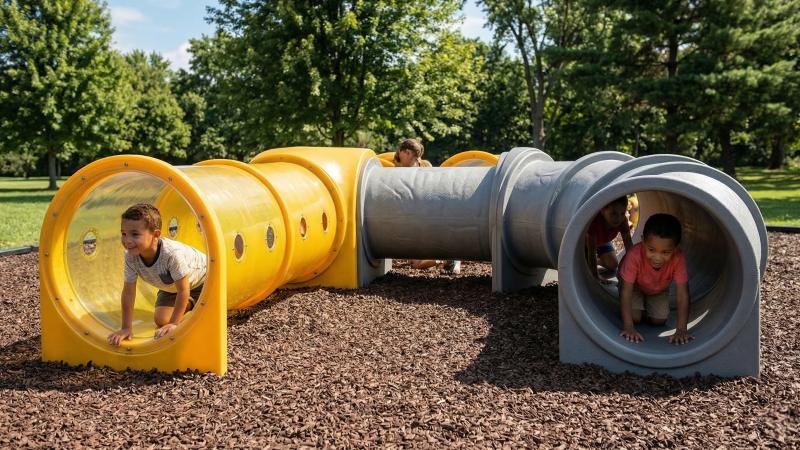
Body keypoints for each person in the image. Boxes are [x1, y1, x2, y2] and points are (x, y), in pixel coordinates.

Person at [107, 203, 207, 346]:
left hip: (204, 279)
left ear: (156, 235)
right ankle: (191, 302)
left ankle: (196, 299)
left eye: (135, 234)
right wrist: (126, 328)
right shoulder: (130, 256)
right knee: (161, 320)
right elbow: (129, 292)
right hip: (171, 285)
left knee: (171, 321)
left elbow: (183, 289)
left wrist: (174, 324)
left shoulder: (171, 255)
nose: (127, 240)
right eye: (124, 233)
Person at [617, 213, 693, 345]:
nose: (657, 258)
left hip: (658, 289)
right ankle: (639, 308)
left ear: (675, 249)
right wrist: (628, 326)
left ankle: (645, 307)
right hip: (634, 286)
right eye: (651, 250)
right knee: (634, 317)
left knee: (659, 321)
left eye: (665, 252)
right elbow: (626, 290)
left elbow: (683, 295)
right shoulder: (634, 255)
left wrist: (681, 329)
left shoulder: (678, 259)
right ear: (642, 241)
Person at [392, 138, 459, 274]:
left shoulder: (420, 172)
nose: (398, 156)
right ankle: (446, 259)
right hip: (418, 220)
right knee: (413, 261)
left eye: (400, 153)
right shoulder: (415, 170)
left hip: (426, 221)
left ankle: (448, 259)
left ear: (408, 153)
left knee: (417, 264)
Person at [585, 196, 633, 280]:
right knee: (584, 267)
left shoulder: (623, 221)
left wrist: (634, 269)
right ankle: (585, 261)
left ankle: (597, 260)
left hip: (602, 242)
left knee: (613, 264)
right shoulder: (595, 222)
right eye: (613, 213)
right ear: (602, 210)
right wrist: (596, 277)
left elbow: (629, 245)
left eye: (622, 213)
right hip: (586, 243)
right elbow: (591, 252)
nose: (618, 218)